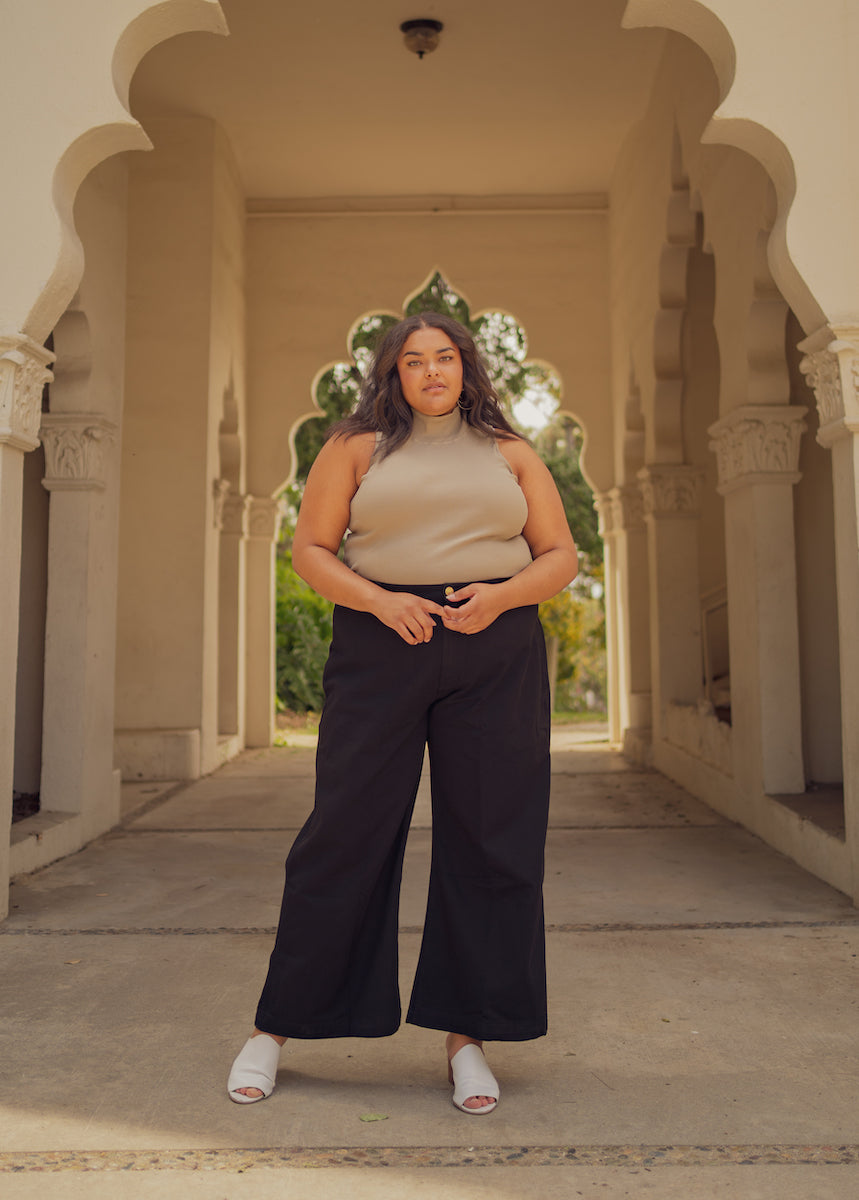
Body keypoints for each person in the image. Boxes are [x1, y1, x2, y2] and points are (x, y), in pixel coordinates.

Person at [227, 311, 578, 1113]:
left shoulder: (509, 451)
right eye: (412, 360)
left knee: (492, 841)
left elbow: (558, 554)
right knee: (343, 831)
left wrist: (500, 598)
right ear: (390, 374)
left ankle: (467, 1040)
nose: (429, 372)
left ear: (465, 368)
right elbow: (311, 550)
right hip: (381, 642)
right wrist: (381, 603)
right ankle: (274, 1028)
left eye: (443, 358)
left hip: (495, 642)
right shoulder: (354, 447)